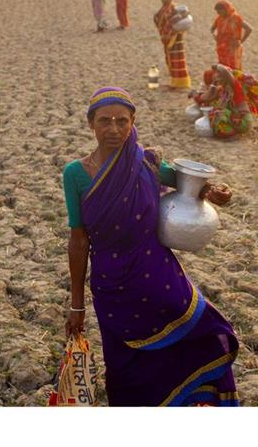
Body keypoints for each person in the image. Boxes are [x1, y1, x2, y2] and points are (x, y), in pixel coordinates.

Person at [62, 86, 240, 406]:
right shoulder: (75, 174)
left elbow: (191, 185)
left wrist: (214, 193)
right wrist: (77, 304)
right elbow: (78, 238)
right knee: (123, 365)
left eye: (122, 120)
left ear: (133, 122)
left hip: (158, 274)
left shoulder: (147, 162)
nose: (113, 129)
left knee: (202, 331)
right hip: (111, 284)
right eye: (104, 121)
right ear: (91, 124)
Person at [205, 64, 258, 138]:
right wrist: (212, 85)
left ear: (225, 78)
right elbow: (206, 98)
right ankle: (232, 133)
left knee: (218, 113)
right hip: (236, 119)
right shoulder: (224, 91)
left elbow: (224, 71)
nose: (218, 80)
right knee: (216, 113)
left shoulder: (236, 86)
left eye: (219, 77)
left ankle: (233, 133)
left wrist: (217, 66)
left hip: (243, 120)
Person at [153, 0, 191, 89]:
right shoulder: (163, 9)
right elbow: (159, 19)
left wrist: (170, 31)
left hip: (175, 38)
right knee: (170, 60)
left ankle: (180, 83)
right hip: (166, 38)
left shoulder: (175, 8)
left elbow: (179, 18)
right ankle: (174, 82)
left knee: (177, 60)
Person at [210, 0, 252, 70]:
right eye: (217, 12)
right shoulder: (219, 18)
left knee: (234, 68)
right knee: (223, 68)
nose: (218, 13)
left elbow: (249, 29)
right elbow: (212, 29)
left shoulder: (235, 18)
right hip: (221, 48)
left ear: (226, 9)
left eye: (220, 11)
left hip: (233, 48)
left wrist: (241, 41)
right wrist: (214, 35)